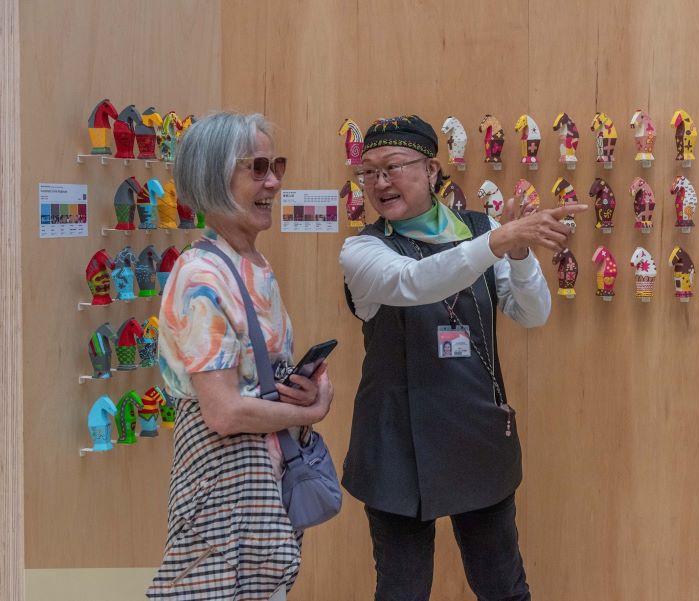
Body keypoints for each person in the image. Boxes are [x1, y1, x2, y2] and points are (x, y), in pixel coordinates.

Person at [339, 115, 586, 601]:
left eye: (393, 166)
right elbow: (414, 281)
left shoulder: (481, 229)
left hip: (477, 436)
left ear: (431, 170)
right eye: (369, 172)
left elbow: (532, 314)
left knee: (503, 588)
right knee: (402, 591)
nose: (380, 182)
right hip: (396, 447)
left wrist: (519, 255)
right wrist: (498, 242)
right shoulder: (362, 249)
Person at [147, 112, 334, 601]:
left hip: (259, 490)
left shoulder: (251, 264)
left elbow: (258, 377)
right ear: (214, 178)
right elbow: (225, 412)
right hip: (224, 493)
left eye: (277, 165)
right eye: (257, 167)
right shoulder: (202, 278)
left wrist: (305, 387)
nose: (273, 181)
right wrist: (309, 411)